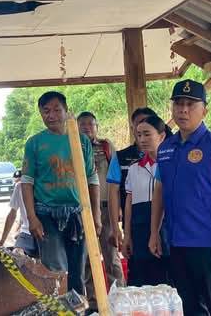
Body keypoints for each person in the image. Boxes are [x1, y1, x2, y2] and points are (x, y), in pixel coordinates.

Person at [148, 79, 211, 316]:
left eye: (190, 104)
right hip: (176, 242)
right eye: (178, 104)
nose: (183, 110)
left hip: (208, 243)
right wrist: (154, 232)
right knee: (189, 306)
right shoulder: (166, 148)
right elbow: (159, 193)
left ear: (204, 110)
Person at [21, 91, 101, 294]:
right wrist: (32, 218)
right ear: (41, 114)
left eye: (57, 110)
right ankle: (59, 308)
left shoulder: (82, 141)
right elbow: (27, 182)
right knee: (55, 271)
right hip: (46, 214)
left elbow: (92, 179)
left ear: (66, 111)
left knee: (77, 272)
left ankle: (80, 307)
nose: (51, 115)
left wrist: (96, 215)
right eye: (46, 111)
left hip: (77, 213)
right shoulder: (35, 143)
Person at [122, 115, 172, 287]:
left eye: (147, 134)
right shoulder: (134, 168)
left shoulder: (171, 164)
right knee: (141, 279)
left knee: (167, 279)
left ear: (161, 136)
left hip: (167, 230)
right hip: (140, 230)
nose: (142, 139)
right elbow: (129, 202)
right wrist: (127, 235)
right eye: (139, 135)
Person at [77, 111, 124, 294]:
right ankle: (93, 300)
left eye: (90, 124)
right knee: (87, 258)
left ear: (97, 127)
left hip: (105, 208)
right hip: (82, 210)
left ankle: (119, 296)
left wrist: (118, 206)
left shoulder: (106, 146)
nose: (86, 127)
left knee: (111, 255)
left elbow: (117, 179)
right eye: (82, 124)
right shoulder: (72, 148)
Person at [106, 107, 158, 256]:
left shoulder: (169, 157)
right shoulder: (121, 157)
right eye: (138, 124)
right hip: (134, 224)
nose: (142, 128)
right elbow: (113, 192)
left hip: (166, 225)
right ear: (133, 128)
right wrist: (115, 228)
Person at [0, 170, 38, 257]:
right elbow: (12, 215)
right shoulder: (19, 186)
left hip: (47, 233)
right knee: (17, 253)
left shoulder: (48, 187)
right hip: (26, 233)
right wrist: (1, 241)